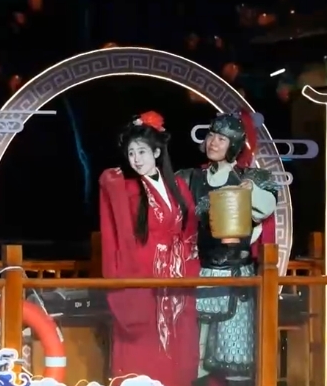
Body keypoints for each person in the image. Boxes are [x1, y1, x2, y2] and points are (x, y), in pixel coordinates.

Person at [99, 111, 200, 386]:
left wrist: (188, 267)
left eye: (142, 152)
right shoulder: (126, 189)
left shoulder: (178, 186)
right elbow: (117, 235)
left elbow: (190, 229)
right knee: (143, 350)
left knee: (180, 346)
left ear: (156, 152)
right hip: (144, 277)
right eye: (131, 153)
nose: (136, 159)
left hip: (177, 278)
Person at [177, 110, 278, 386]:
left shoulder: (251, 178)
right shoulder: (190, 178)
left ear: (234, 145)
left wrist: (250, 190)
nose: (214, 142)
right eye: (212, 135)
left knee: (235, 355)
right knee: (194, 359)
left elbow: (266, 208)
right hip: (200, 274)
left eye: (222, 138)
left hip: (236, 277)